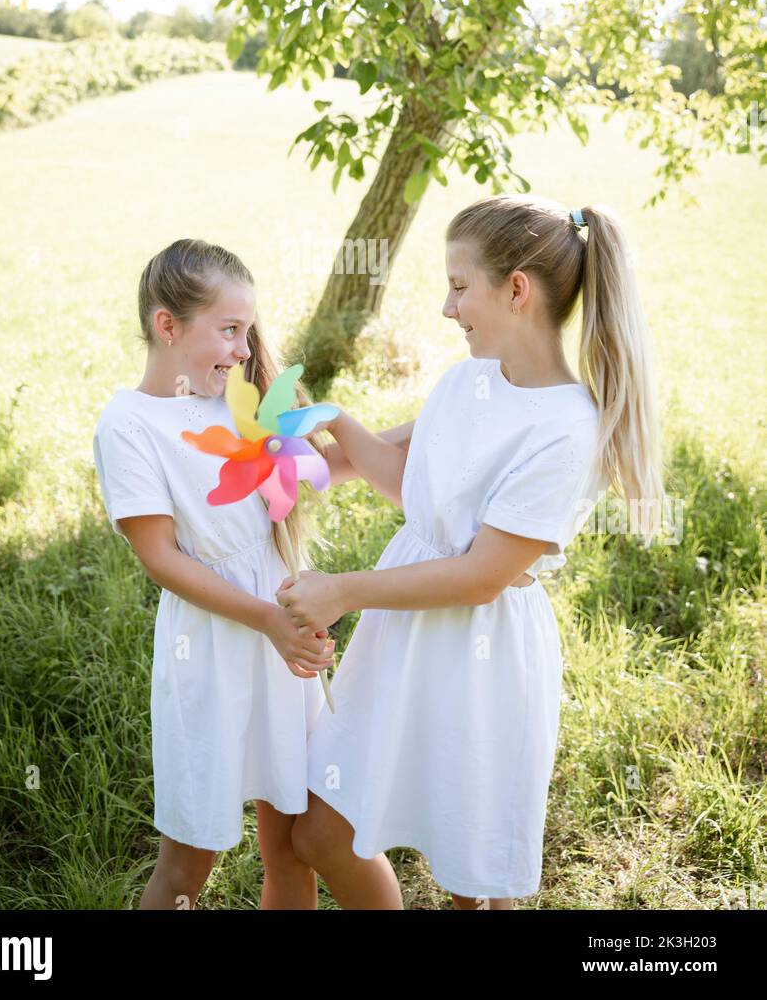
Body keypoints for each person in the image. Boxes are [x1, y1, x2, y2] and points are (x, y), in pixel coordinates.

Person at [277, 195, 666, 910]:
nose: (447, 307)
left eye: (459, 286)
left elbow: (483, 576)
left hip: (480, 655)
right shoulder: (467, 382)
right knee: (322, 834)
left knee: (472, 881)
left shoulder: (567, 429)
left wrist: (342, 590)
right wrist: (329, 417)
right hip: (403, 635)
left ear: (516, 289)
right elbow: (418, 493)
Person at [92, 237, 410, 910]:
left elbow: (331, 464)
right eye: (229, 330)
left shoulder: (238, 403)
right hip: (212, 654)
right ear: (167, 325)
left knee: (290, 845)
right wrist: (268, 620)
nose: (242, 348)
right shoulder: (130, 424)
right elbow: (162, 559)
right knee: (187, 863)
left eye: (248, 332)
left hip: (284, 650)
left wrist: (437, 429)